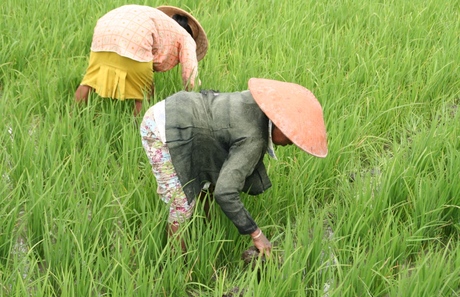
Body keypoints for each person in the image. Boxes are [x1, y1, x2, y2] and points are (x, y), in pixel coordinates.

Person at [140, 78, 328, 256]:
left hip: (182, 111)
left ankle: (209, 229)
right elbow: (225, 191)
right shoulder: (254, 139)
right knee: (181, 205)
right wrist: (256, 233)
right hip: (162, 127)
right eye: (289, 136)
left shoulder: (254, 102)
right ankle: (177, 264)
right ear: (277, 122)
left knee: (207, 185)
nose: (291, 143)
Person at [74, 5, 208, 115]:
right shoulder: (186, 38)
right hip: (136, 39)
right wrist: (196, 99)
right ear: (190, 33)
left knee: (90, 81)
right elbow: (190, 73)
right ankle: (137, 129)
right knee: (146, 93)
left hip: (104, 31)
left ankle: (73, 116)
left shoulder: (161, 21)